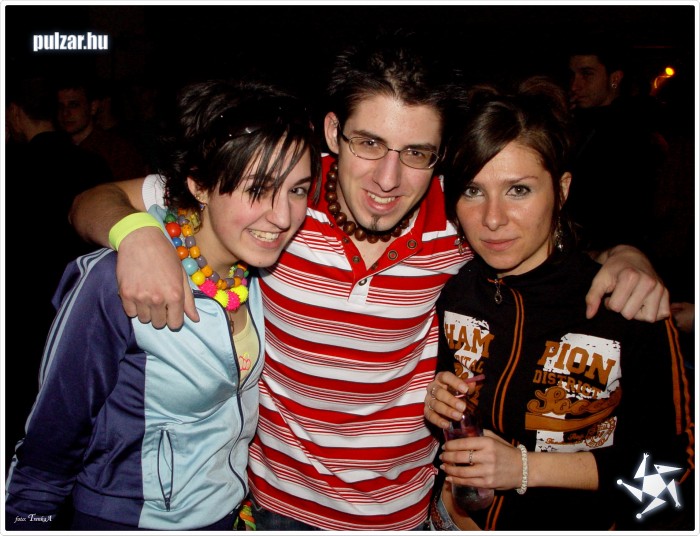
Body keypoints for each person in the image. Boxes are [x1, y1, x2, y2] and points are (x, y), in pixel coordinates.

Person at [69, 31, 670, 530]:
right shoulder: (277, 200)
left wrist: (625, 256)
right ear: (334, 132)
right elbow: (93, 200)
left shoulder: (459, 220)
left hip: (400, 516)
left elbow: (537, 243)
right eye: (369, 143)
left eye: (416, 153)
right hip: (276, 508)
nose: (388, 178)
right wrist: (136, 235)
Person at [5, 79, 321, 530]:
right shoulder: (117, 280)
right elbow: (46, 451)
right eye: (257, 189)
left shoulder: (255, 269)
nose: (283, 216)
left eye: (297, 190)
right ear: (199, 184)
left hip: (229, 514)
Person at [425, 77, 694, 531]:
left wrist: (525, 469)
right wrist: (439, 404)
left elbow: (675, 468)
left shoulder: (625, 304)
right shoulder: (455, 293)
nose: (492, 218)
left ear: (562, 189)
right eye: (472, 190)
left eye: (518, 189)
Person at [4, 74, 113, 474]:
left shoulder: (11, 167)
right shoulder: (91, 165)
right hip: (75, 316)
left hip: (18, 320)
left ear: (15, 113)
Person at [565, 32, 667, 256]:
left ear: (614, 78)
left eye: (587, 74)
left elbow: (628, 207)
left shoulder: (631, 131)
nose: (575, 85)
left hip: (608, 253)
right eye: (572, 75)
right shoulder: (577, 122)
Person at [57, 76, 150, 179]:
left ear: (93, 107)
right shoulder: (55, 149)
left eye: (74, 105)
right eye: (60, 106)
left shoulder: (117, 151)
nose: (65, 113)